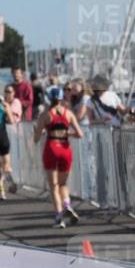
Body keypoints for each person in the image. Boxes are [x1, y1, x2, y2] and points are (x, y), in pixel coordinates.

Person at [33, 86, 83, 228]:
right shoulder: (68, 114)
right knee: (63, 183)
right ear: (61, 98)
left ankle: (58, 217)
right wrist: (68, 134)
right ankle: (67, 204)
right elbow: (80, 134)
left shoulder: (46, 114)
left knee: (53, 186)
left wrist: (39, 133)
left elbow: (36, 138)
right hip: (65, 148)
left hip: (52, 147)